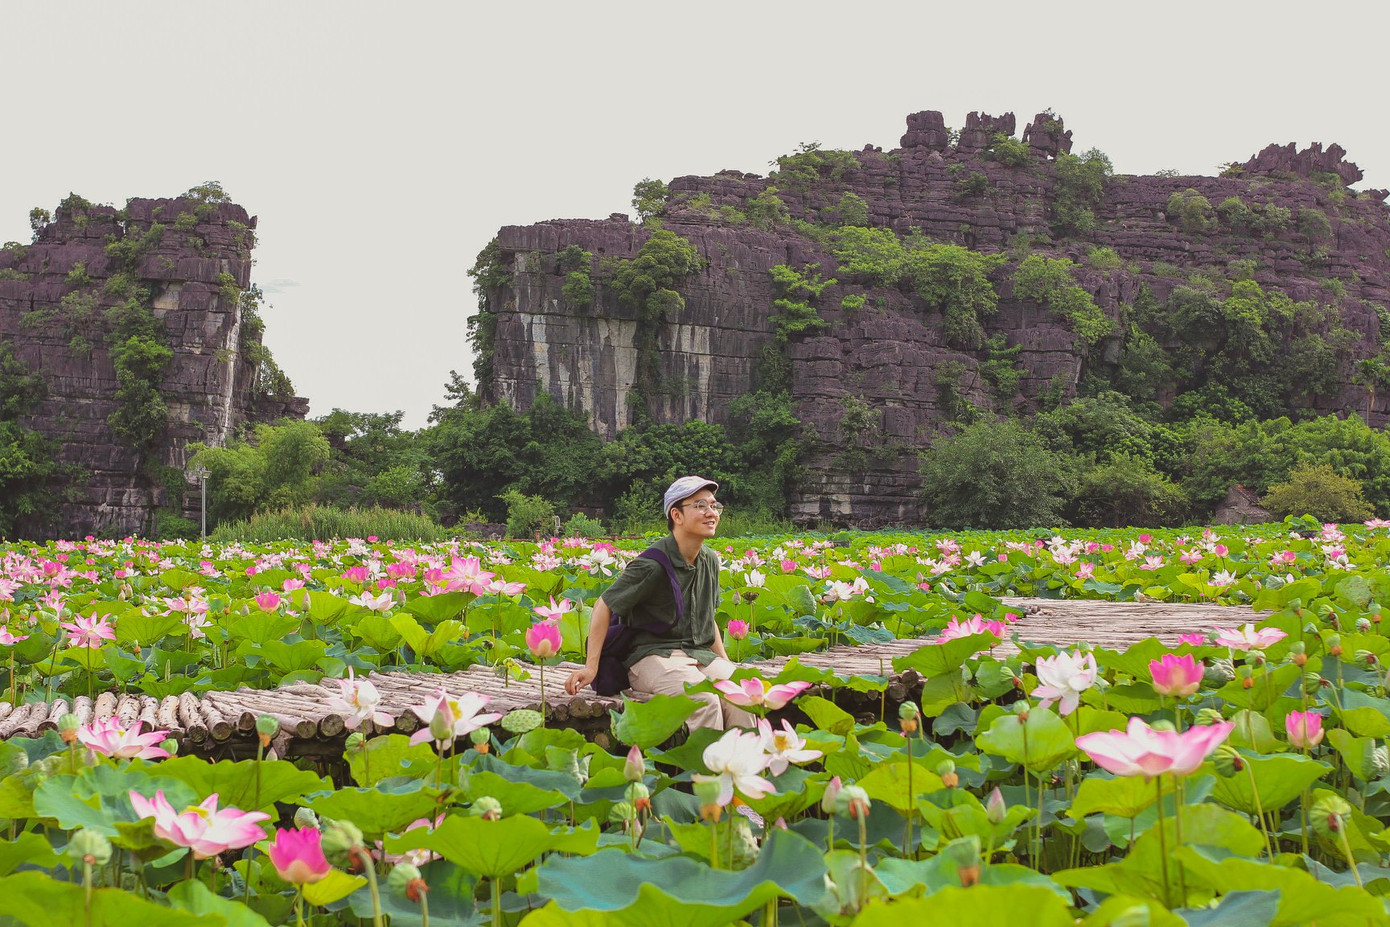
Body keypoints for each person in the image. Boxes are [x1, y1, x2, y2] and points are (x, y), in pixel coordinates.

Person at [564, 475, 755, 731]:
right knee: (704, 701)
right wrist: (591, 667)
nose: (711, 513)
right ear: (676, 515)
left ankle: (742, 767)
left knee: (743, 695)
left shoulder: (709, 560)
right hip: (653, 656)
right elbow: (603, 605)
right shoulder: (652, 564)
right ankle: (707, 769)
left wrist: (727, 663)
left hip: (698, 654)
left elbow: (707, 619)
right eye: (700, 506)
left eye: (714, 505)